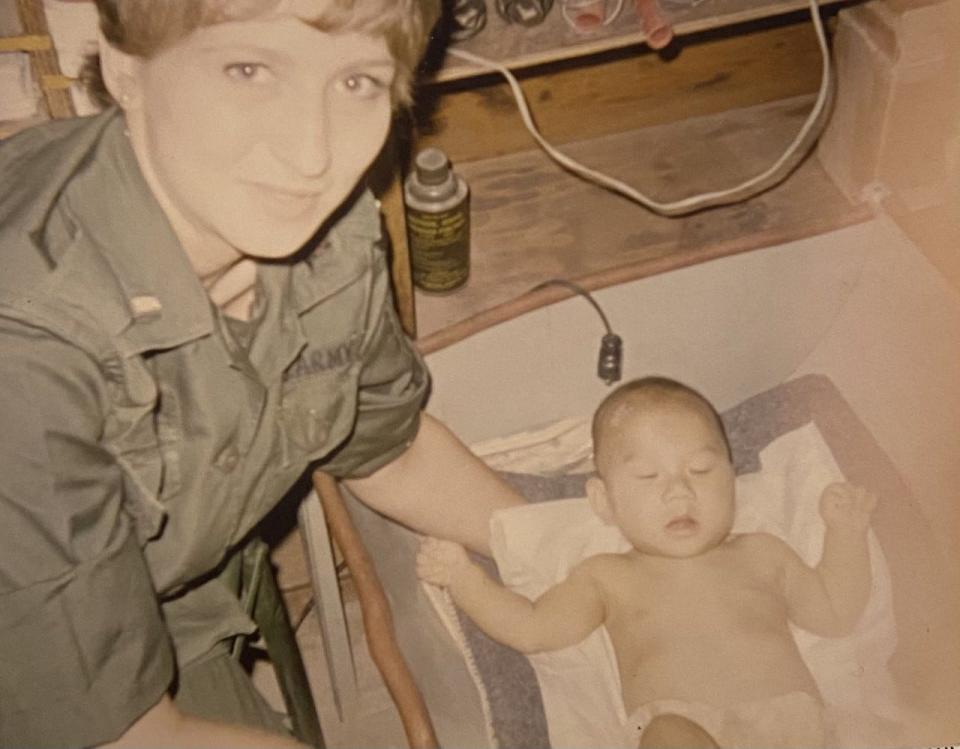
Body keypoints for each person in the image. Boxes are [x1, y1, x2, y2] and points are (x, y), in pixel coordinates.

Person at [0, 1, 526, 746]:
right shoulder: (24, 345)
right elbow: (127, 734)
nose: (312, 154)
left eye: (356, 83)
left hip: (161, 604)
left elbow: (391, 451)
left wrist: (572, 543)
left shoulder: (331, 231)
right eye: (247, 70)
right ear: (127, 70)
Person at [417, 376, 878, 748]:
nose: (679, 491)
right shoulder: (607, 576)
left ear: (732, 482)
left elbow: (836, 612)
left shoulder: (764, 553)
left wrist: (846, 535)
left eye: (700, 470)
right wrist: (466, 582)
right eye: (647, 477)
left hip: (792, 724)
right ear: (603, 501)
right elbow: (533, 628)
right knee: (666, 737)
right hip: (685, 726)